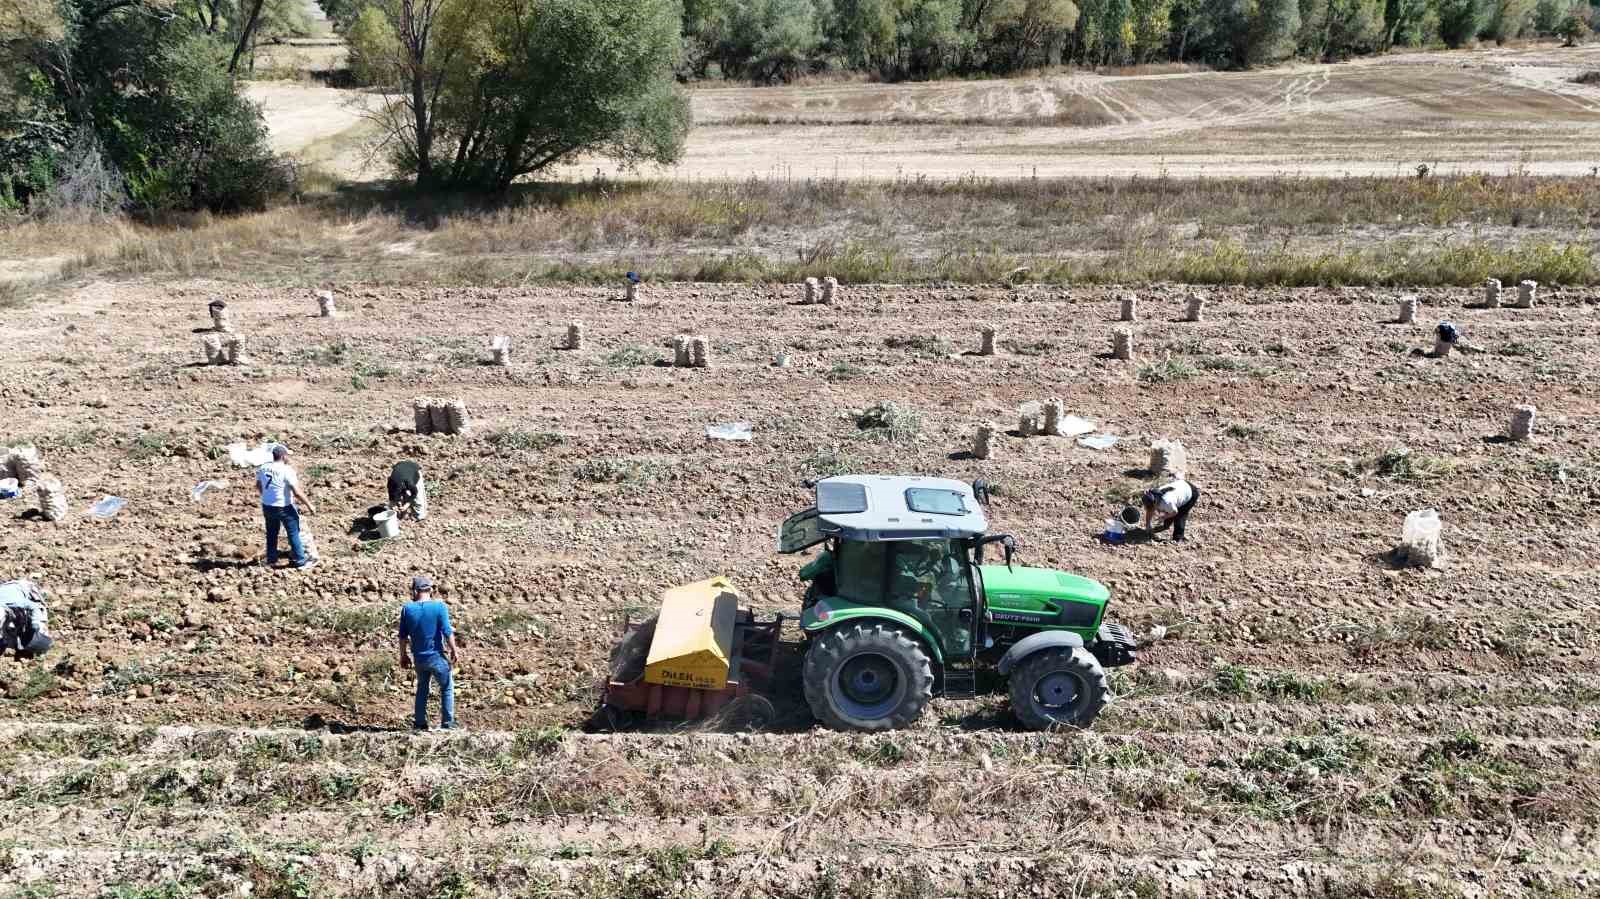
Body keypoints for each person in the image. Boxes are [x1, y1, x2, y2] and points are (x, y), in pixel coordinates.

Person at [398, 575, 460, 731]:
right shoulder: (439, 607)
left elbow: (403, 636)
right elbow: (447, 631)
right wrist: (454, 649)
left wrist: (403, 655)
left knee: (422, 688)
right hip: (436, 657)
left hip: (419, 659)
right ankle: (447, 723)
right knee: (446, 687)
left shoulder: (407, 609)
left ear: (415, 590)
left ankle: (419, 723)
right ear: (430, 590)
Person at [256, 444, 317, 570]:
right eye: (287, 455)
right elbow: (297, 492)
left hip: (267, 506)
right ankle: (301, 561)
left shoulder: (263, 468)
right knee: (293, 533)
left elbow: (258, 485)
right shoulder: (286, 470)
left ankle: (271, 559)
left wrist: (266, 496)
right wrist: (309, 505)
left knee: (271, 533)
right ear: (283, 456)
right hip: (284, 507)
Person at [1, 579, 52, 659]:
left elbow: (35, 607)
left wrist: (35, 622)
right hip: (5, 590)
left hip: (25, 588)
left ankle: (44, 644)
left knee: (39, 615)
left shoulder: (15, 602)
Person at [1141, 474, 1200, 542]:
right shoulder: (1153, 495)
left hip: (1191, 493)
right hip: (1181, 487)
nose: (1151, 509)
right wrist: (1148, 525)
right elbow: (1149, 510)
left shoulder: (1166, 502)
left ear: (1155, 503)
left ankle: (1179, 538)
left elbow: (1175, 512)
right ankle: (1164, 526)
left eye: (1152, 507)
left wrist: (1164, 517)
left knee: (1180, 516)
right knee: (1168, 513)